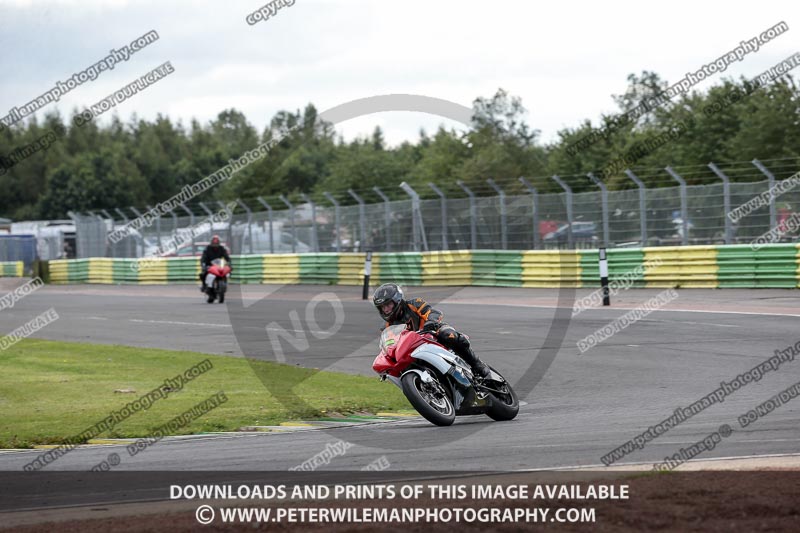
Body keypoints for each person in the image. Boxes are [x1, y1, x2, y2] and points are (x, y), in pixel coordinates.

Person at [372, 283, 490, 377]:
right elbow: (389, 345)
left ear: (397, 300)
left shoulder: (414, 304)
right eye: (382, 307)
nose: (386, 309)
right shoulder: (386, 327)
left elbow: (433, 312)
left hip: (432, 333)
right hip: (412, 350)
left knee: (448, 335)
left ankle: (477, 364)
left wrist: (430, 323)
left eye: (388, 305)